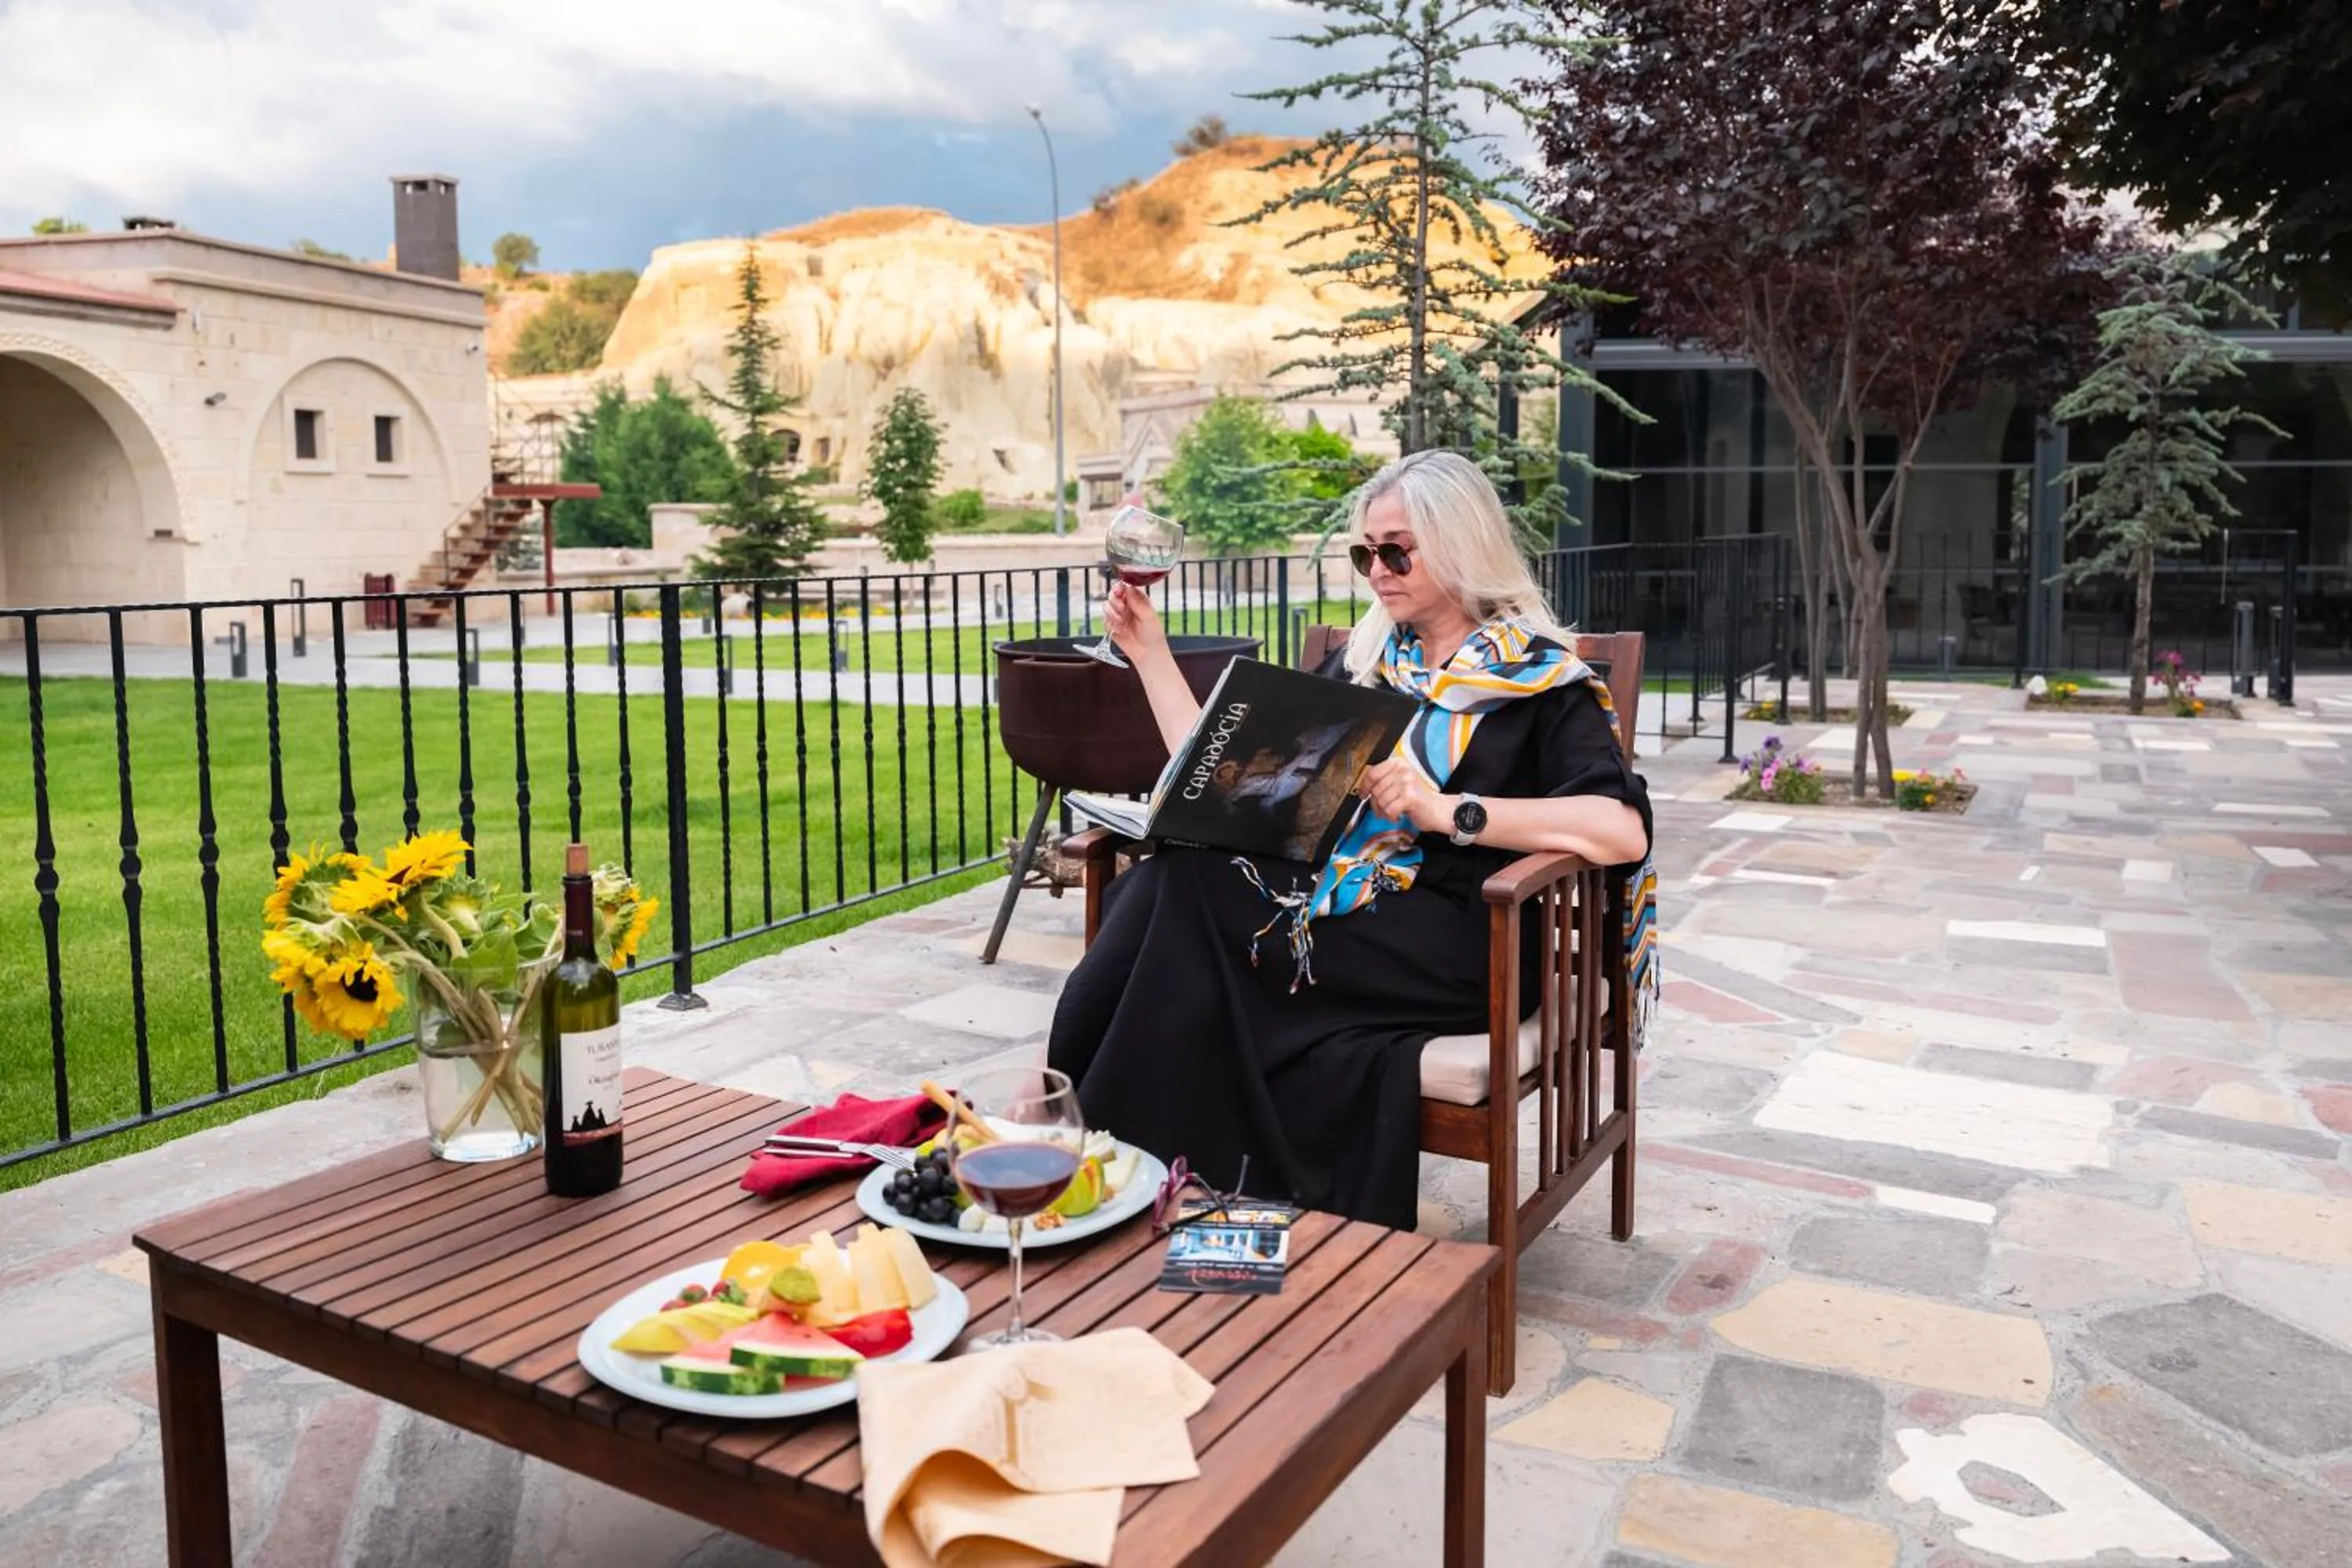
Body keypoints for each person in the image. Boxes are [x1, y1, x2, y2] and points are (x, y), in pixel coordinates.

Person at [1047, 450, 1653, 1229]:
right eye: (1365, 552)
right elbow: (1224, 778)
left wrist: (1451, 811)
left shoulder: (1541, 683)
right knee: (1172, 877)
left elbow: (1620, 828)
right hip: (1341, 913)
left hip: (1470, 941)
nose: (1377, 569)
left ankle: (1084, 1141)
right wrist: (1150, 654)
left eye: (1396, 549)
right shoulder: (1370, 664)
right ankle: (1114, 1150)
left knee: (1182, 901)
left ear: (1459, 542)